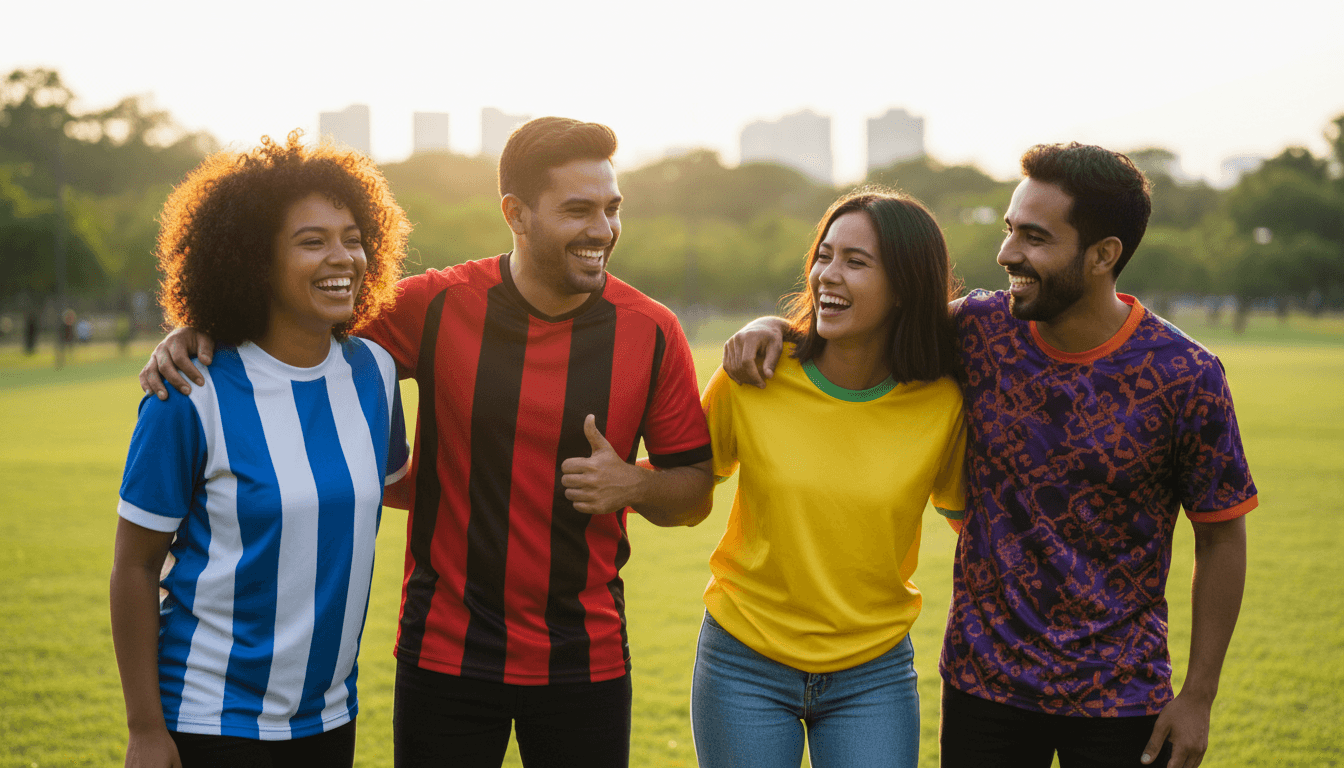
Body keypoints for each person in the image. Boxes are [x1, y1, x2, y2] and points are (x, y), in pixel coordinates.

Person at [138, 117, 715, 768]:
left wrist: (635, 484)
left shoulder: (653, 331)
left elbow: (694, 491)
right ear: (515, 214)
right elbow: (293, 306)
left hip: (586, 658)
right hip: (445, 653)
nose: (602, 230)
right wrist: (197, 329)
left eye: (612, 209)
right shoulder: (433, 306)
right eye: (578, 210)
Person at [722, 142, 1255, 768]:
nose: (1007, 254)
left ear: (1103, 255)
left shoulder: (1186, 376)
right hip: (985, 688)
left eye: (1034, 237)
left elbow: (1221, 537)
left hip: (1122, 695)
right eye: (1009, 230)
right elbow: (864, 322)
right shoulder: (979, 330)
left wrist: (1198, 697)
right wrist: (772, 327)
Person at [110, 132, 412, 768]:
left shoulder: (376, 374)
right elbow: (134, 568)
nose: (343, 257)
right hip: (209, 720)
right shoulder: (190, 391)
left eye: (353, 237)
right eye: (312, 241)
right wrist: (144, 729)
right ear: (254, 261)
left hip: (332, 718)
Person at [691, 190, 966, 768]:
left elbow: (976, 526)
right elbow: (686, 480)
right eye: (824, 255)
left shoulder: (944, 403)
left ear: (906, 286)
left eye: (855, 262)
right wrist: (618, 480)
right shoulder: (756, 374)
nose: (826, 276)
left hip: (874, 671)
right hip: (743, 659)